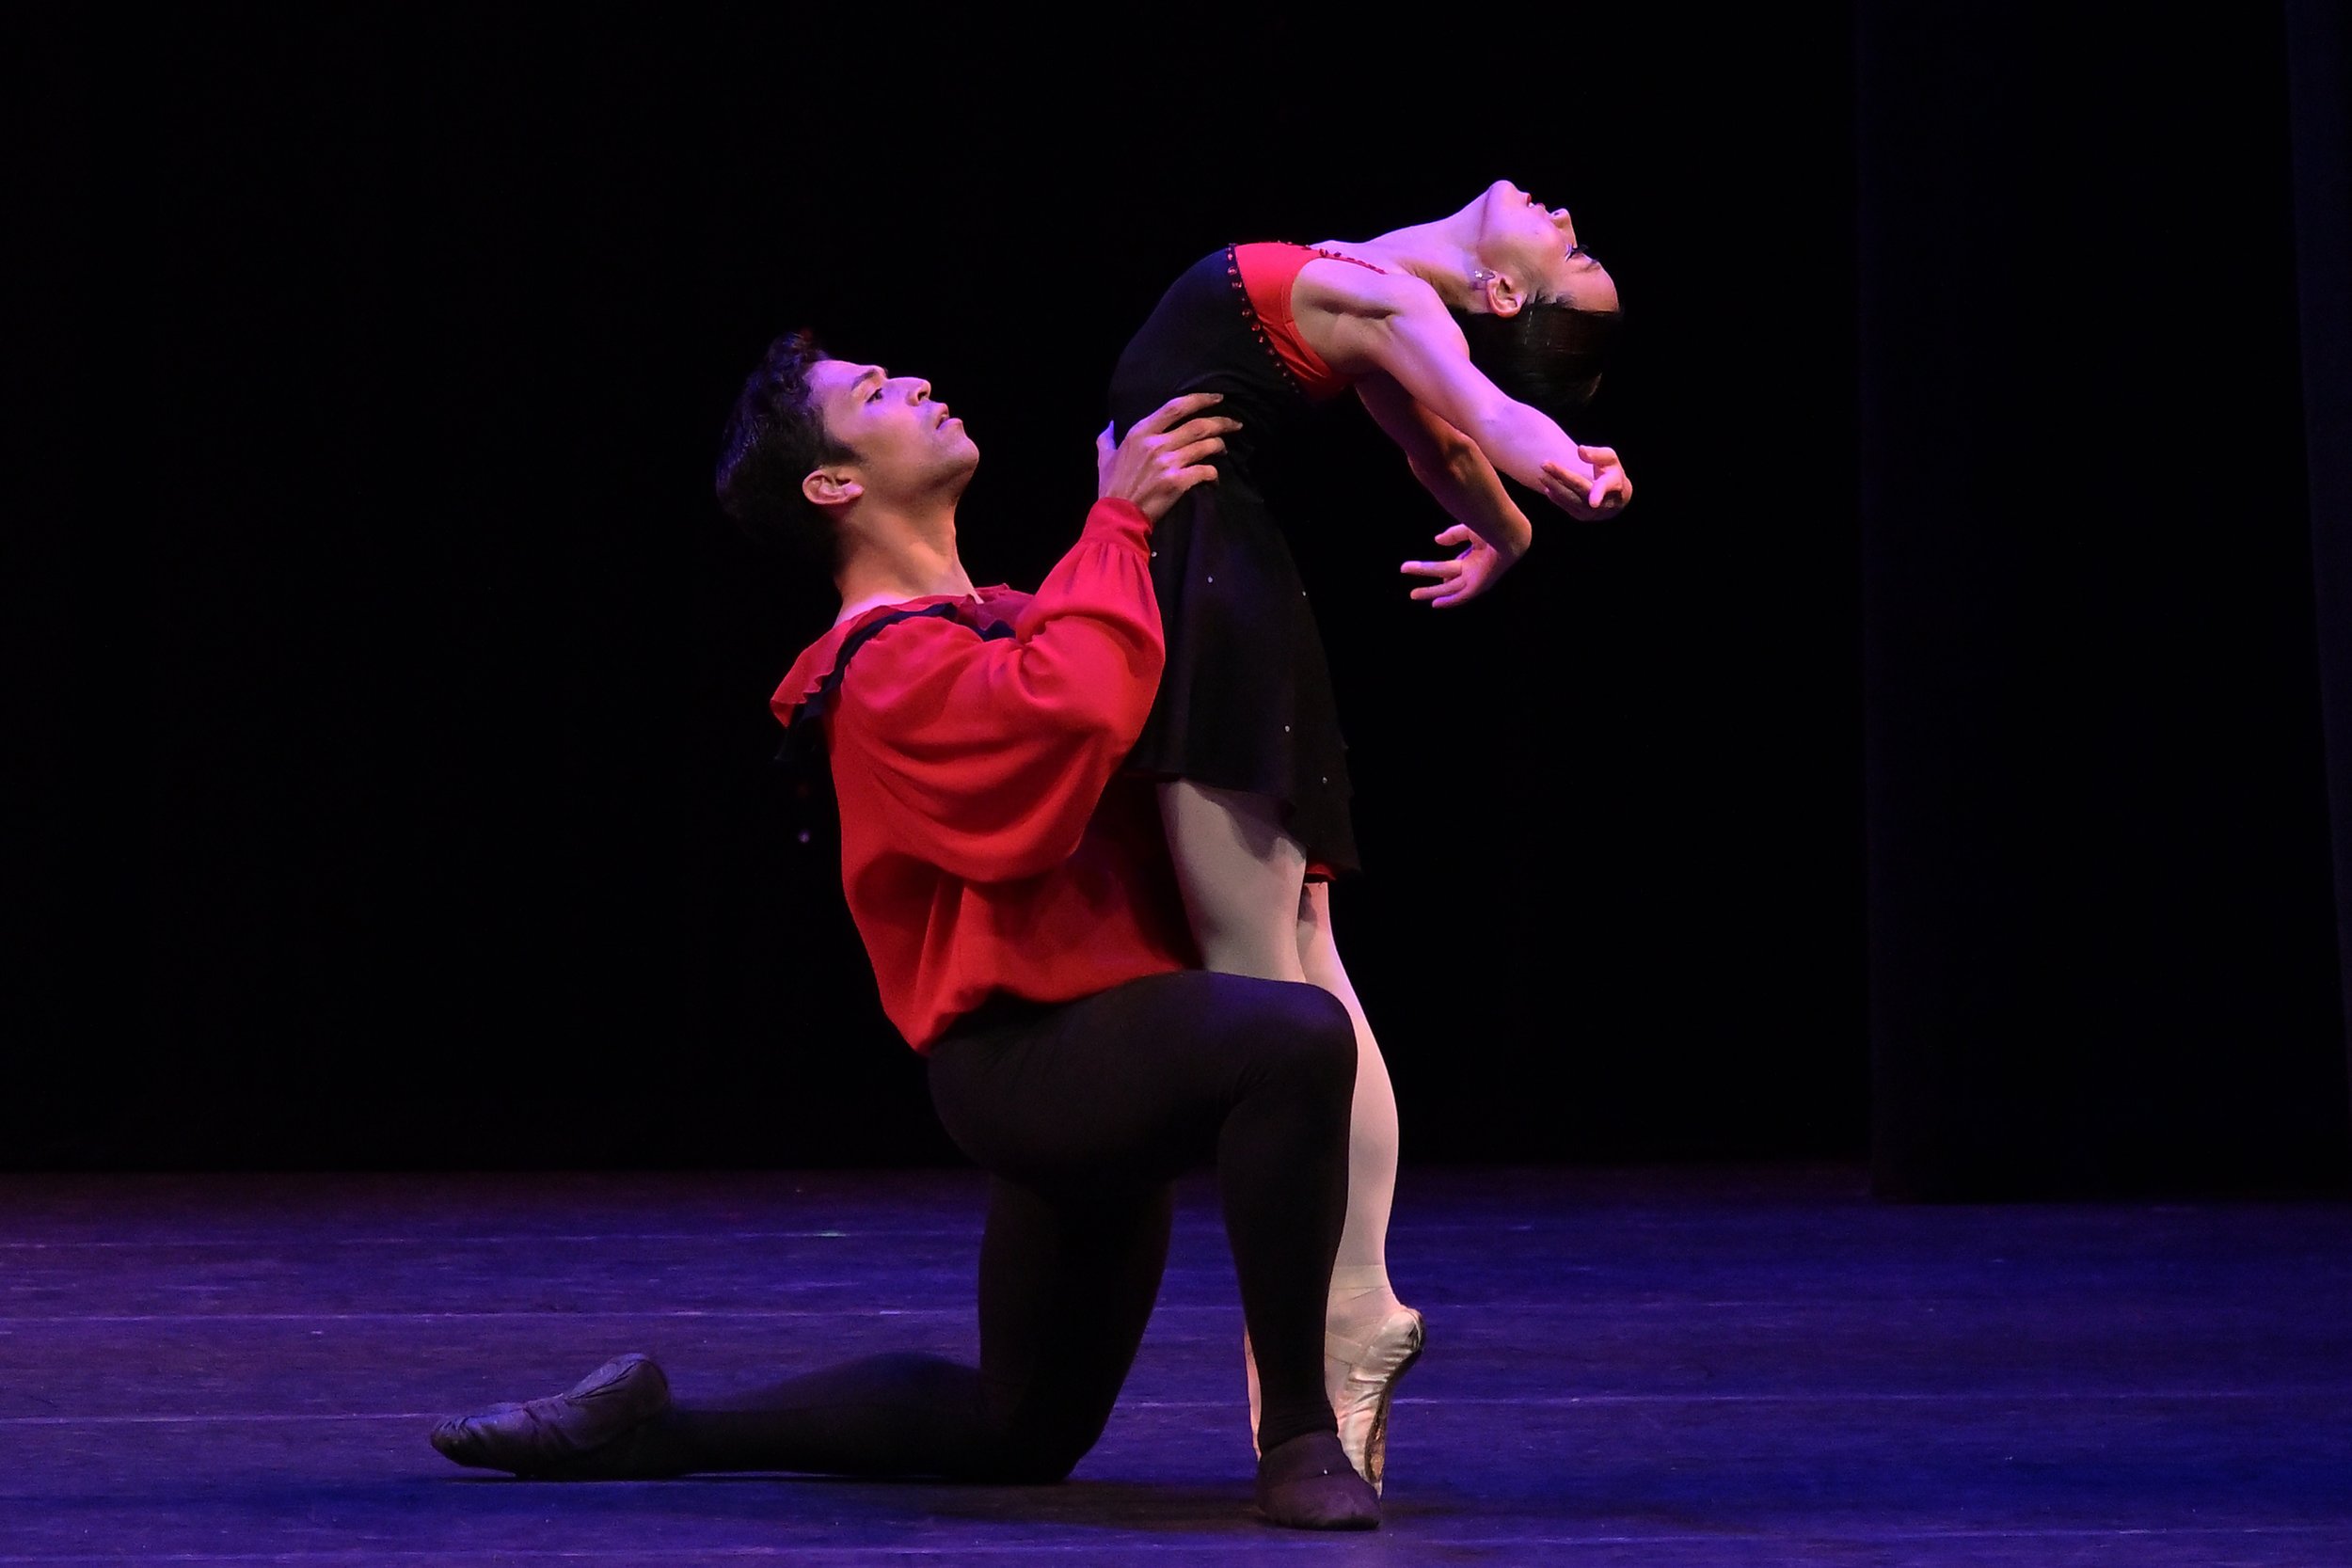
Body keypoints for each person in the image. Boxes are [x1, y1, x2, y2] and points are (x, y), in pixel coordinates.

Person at [428, 331, 1388, 1530]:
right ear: (832, 483)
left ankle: (659, 1426)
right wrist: (1119, 524)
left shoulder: (1016, 611)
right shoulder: (873, 670)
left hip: (1124, 1044)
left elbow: (1171, 714)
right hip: (1034, 1062)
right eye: (873, 393)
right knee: (1291, 1040)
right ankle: (1299, 1434)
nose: (921, 381)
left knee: (1020, 1429)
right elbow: (1075, 702)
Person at [1104, 178, 1634, 1490]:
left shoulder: (1382, 297)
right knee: (1297, 965)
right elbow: (1446, 448)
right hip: (1231, 593)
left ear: (1502, 295)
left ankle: (1330, 1325)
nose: (1570, 217)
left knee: (1265, 988)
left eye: (1571, 256)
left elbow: (1485, 416)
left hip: (1211, 600)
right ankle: (1351, 1309)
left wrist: (1559, 471)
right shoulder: (1380, 298)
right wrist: (1507, 532)